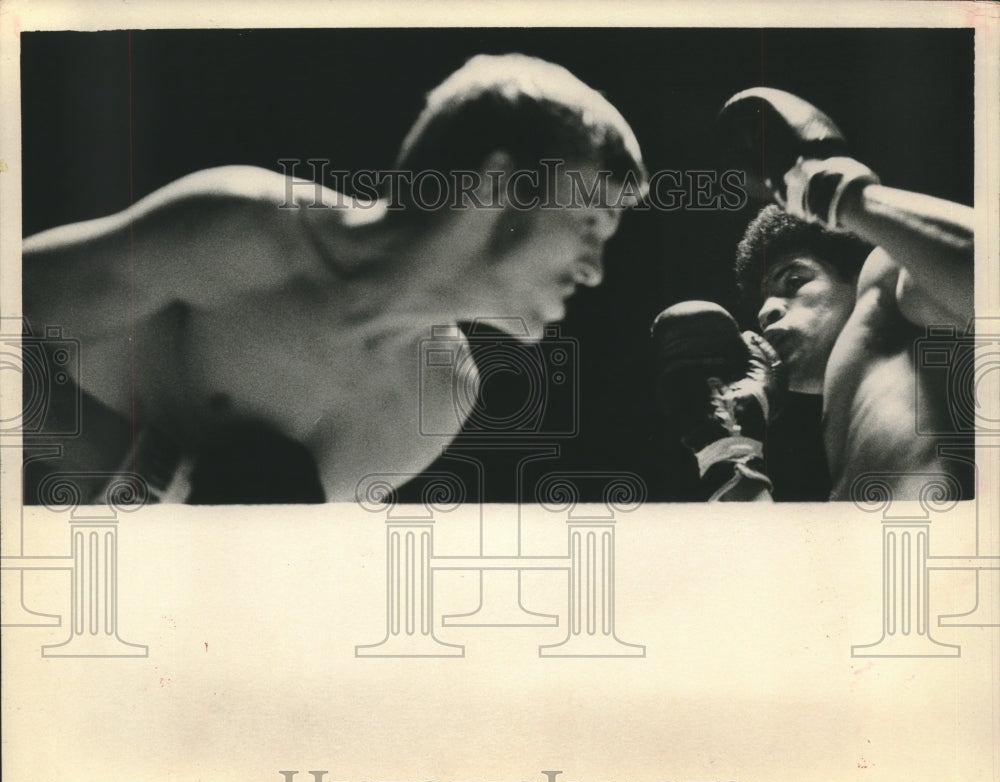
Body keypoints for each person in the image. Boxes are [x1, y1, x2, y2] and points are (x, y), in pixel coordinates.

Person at [21, 54, 647, 504]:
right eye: (590, 221)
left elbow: (234, 584)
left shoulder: (433, 398)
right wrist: (146, 469)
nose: (593, 271)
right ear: (499, 185)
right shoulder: (253, 234)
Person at [653, 87, 974, 502]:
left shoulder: (884, 277)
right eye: (761, 303)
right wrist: (728, 454)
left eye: (794, 281)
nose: (766, 312)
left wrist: (831, 188)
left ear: (853, 278)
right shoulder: (855, 436)